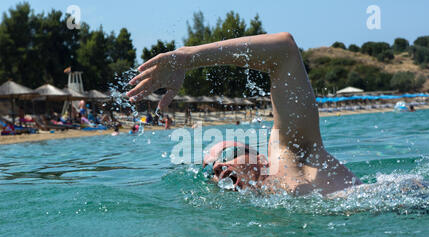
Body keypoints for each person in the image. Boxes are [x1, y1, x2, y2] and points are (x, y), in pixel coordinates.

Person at [127, 32, 361, 195]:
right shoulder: (263, 214)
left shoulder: (292, 157)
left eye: (229, 154)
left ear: (261, 159)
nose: (219, 168)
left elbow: (284, 52)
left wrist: (189, 58)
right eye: (212, 169)